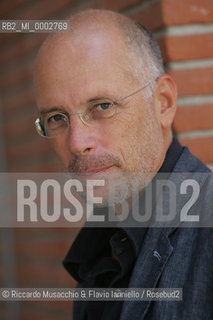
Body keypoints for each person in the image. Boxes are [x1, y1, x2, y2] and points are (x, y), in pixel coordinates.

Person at [34, 9, 213, 320]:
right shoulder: (103, 248)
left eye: (102, 106)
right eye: (57, 118)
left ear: (163, 103)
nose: (77, 142)